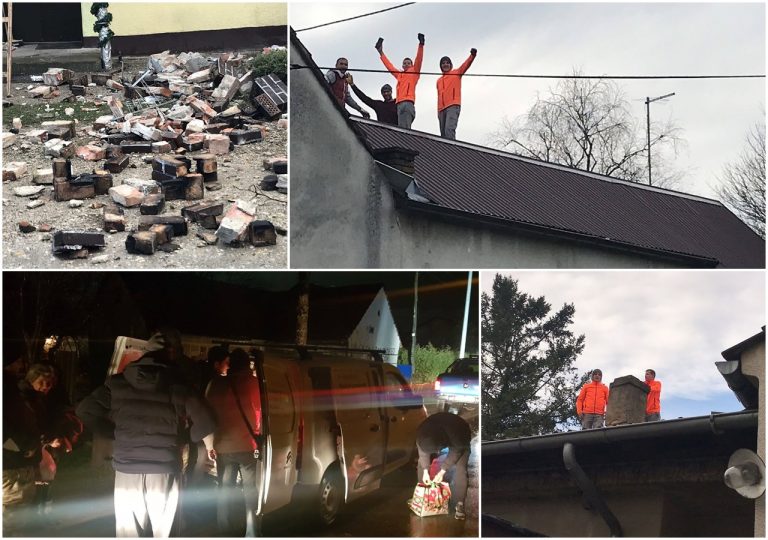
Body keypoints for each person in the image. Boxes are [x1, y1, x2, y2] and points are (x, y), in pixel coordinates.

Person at [76, 351, 216, 537]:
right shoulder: (179, 387)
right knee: (164, 531)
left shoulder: (117, 384)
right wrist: (183, 437)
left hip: (127, 470)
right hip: (164, 470)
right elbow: (207, 422)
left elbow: (85, 410)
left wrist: (114, 433)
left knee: (129, 533)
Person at [4, 363, 82, 517]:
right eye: (43, 382)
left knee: (31, 494)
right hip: (17, 462)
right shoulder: (21, 398)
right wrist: (33, 445)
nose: (46, 386)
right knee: (14, 510)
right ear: (32, 378)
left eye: (50, 384)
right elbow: (24, 430)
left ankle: (41, 516)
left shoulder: (38, 398)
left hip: (31, 455)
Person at [205, 348, 263, 537]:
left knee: (224, 490)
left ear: (230, 365)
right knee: (250, 491)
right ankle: (252, 531)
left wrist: (210, 445)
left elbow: (207, 415)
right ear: (247, 365)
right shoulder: (255, 384)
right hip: (247, 447)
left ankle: (223, 529)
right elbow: (260, 413)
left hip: (223, 447)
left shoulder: (216, 385)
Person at [415, 412, 472, 521]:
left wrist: (442, 471)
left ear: (440, 448)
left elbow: (456, 451)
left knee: (461, 468)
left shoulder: (457, 435)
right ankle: (422, 496)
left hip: (460, 433)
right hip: (437, 430)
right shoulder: (421, 434)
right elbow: (423, 454)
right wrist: (426, 471)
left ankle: (460, 504)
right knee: (421, 463)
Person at [376, 33, 425, 129]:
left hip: (407, 103)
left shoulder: (414, 72)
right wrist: (381, 53)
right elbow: (389, 66)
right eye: (404, 63)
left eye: (408, 63)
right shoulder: (400, 75)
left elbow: (419, 59)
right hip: (399, 104)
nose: (406, 64)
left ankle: (406, 144)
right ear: (402, 66)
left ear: (411, 65)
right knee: (401, 128)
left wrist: (421, 45)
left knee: (405, 130)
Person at [436, 48, 477, 139]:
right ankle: (444, 151)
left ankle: (452, 151)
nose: (445, 64)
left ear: (450, 64)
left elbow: (466, 65)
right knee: (443, 135)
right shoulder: (438, 81)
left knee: (449, 130)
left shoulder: (456, 73)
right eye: (443, 63)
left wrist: (472, 55)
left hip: (452, 105)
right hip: (441, 109)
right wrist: (438, 110)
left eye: (447, 63)